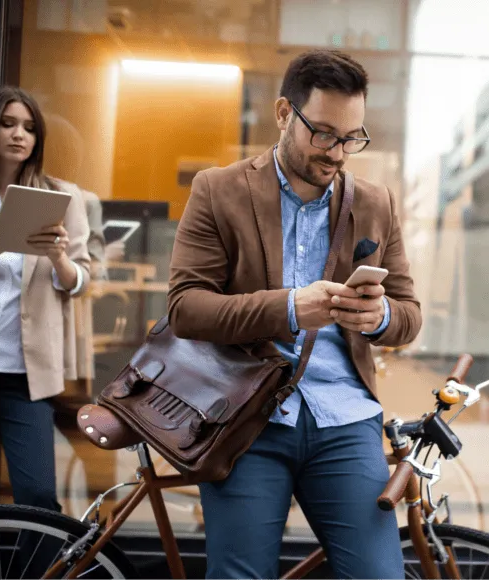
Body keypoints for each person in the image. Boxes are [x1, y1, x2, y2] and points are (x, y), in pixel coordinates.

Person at [168, 49, 421, 579]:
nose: (338, 152)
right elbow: (186, 308)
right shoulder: (219, 190)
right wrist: (288, 306)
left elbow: (409, 316)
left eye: (352, 137)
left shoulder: (376, 202)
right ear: (285, 113)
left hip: (345, 418)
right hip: (246, 418)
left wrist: (375, 317)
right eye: (324, 133)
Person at [0, 86, 91, 512]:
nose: (19, 135)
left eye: (29, 128)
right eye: (8, 124)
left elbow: (79, 281)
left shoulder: (64, 197)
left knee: (37, 495)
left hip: (26, 369)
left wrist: (58, 255)